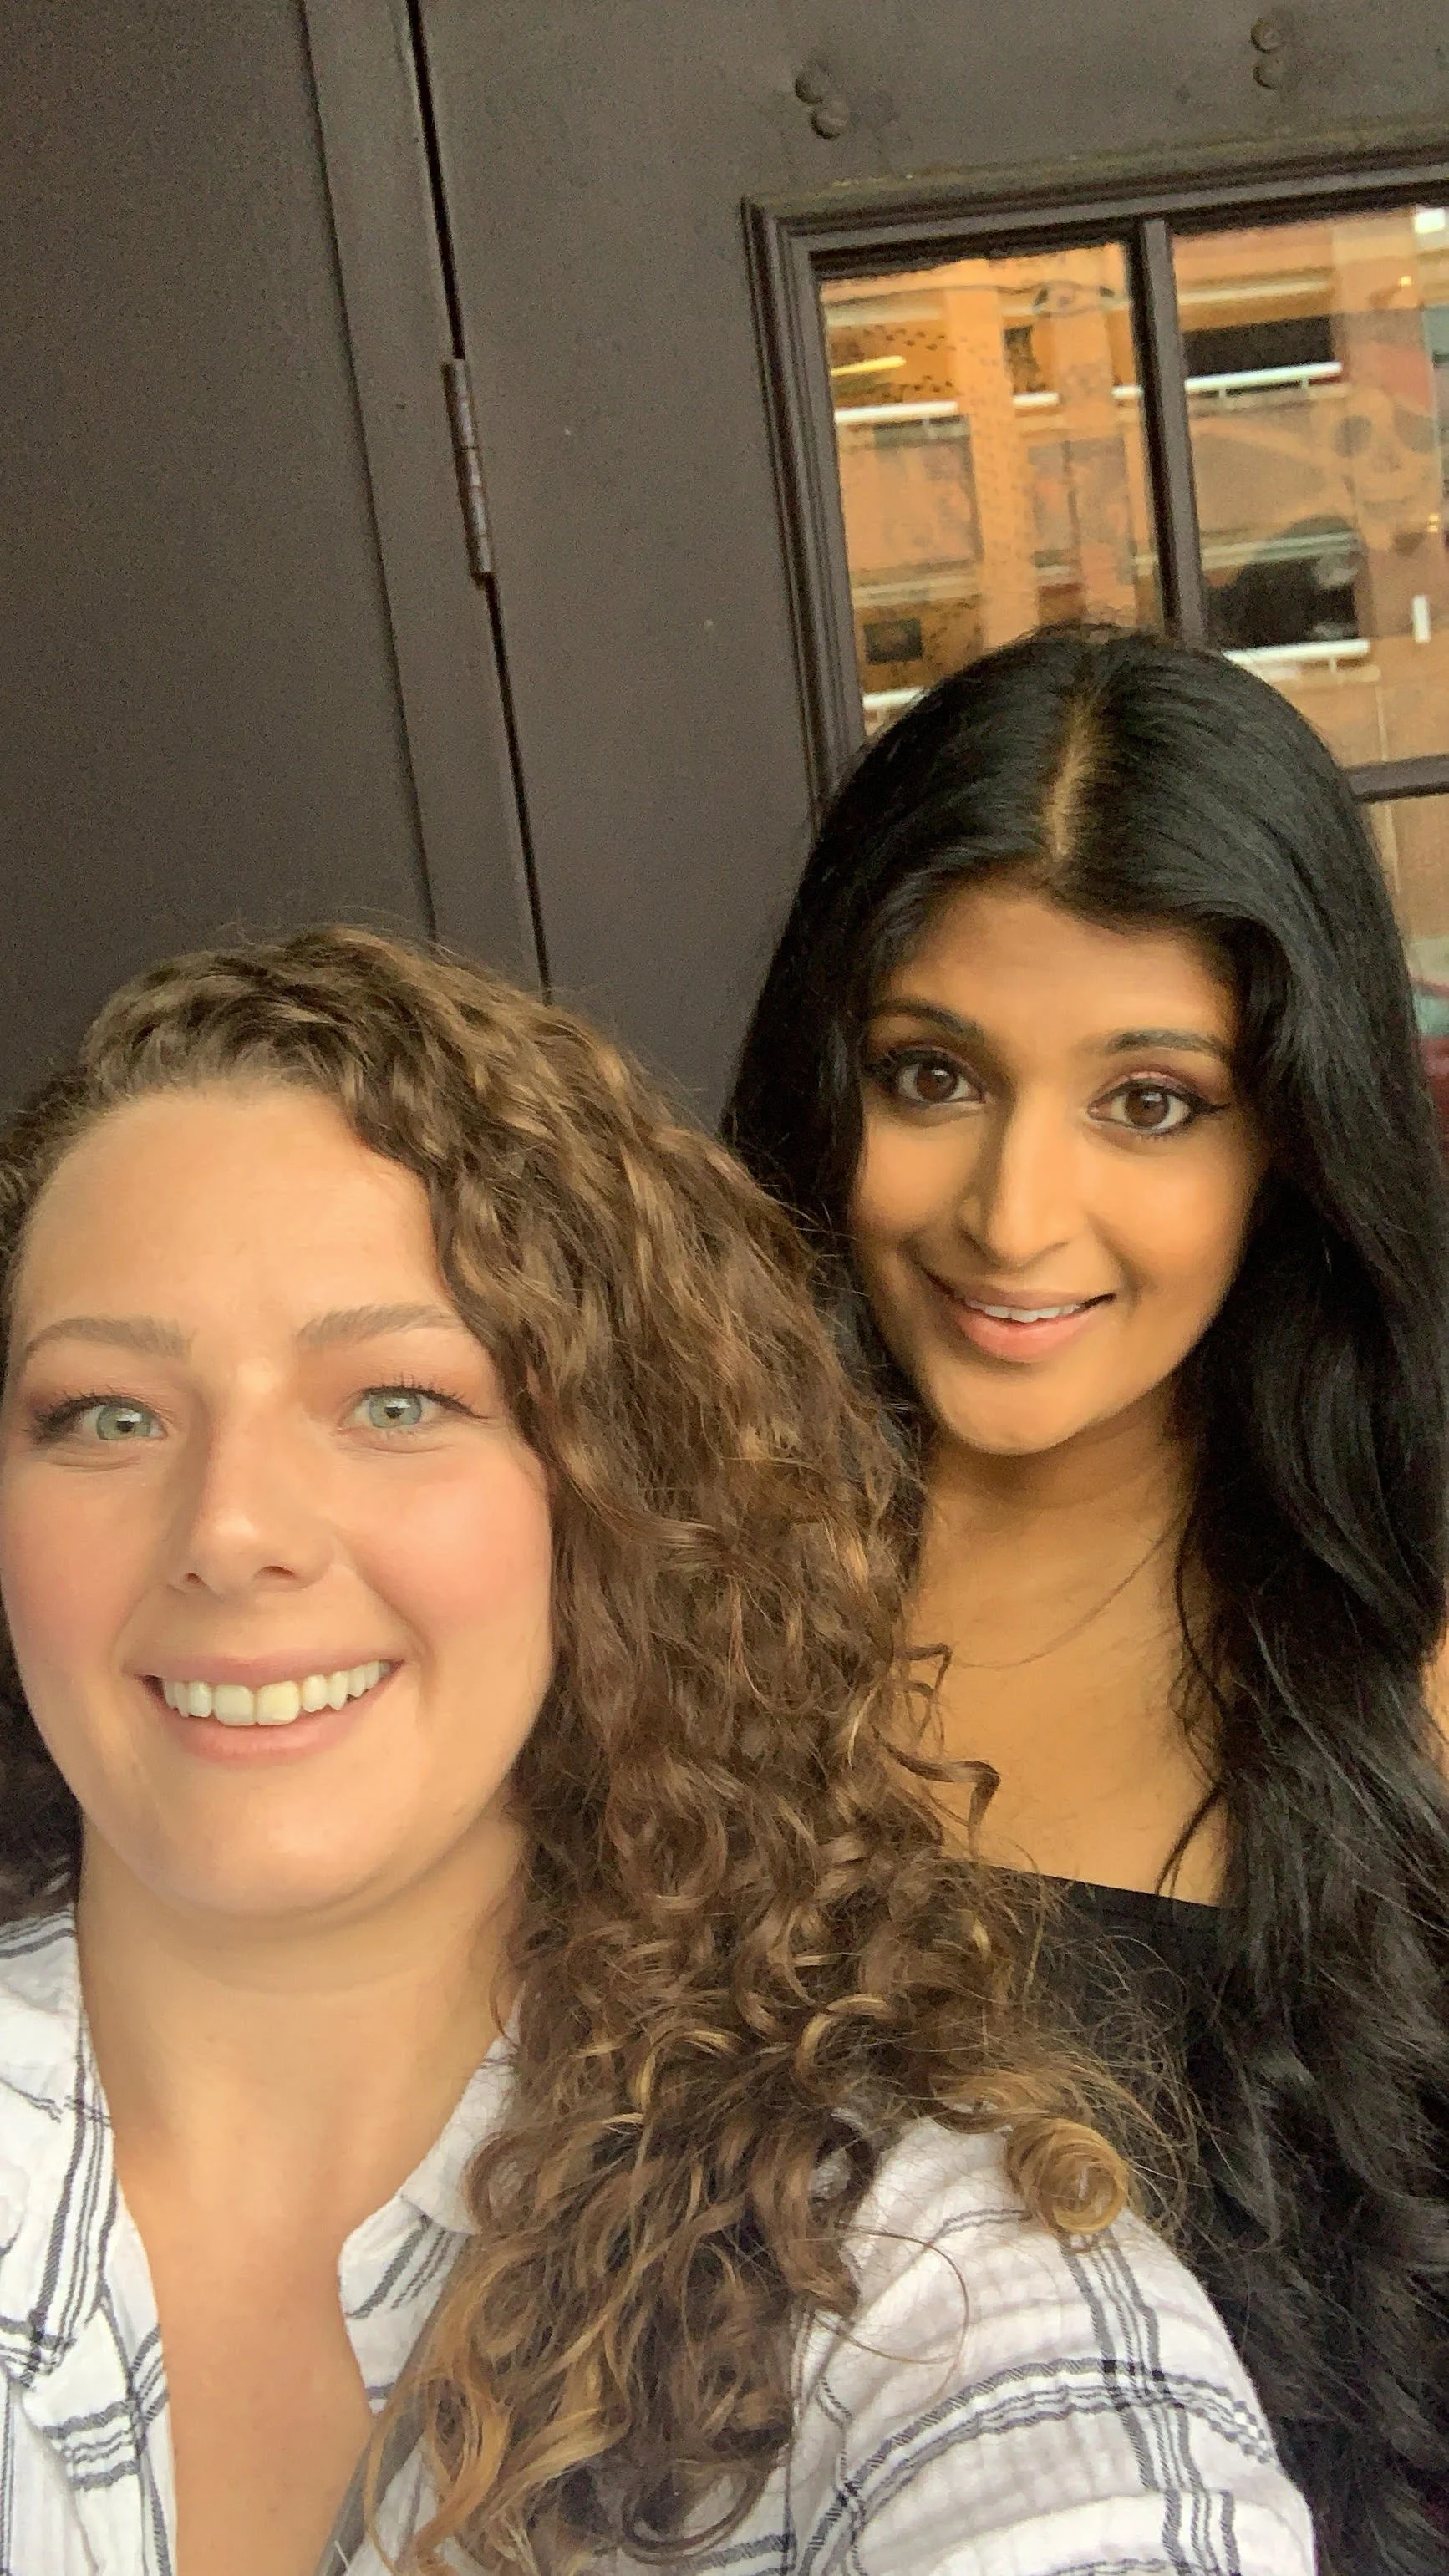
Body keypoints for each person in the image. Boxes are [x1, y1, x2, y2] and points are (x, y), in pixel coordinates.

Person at [0, 924, 1309, 2576]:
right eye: (105, 1412)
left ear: (606, 1501)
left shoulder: (917, 2287)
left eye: (399, 1398)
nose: (233, 1525)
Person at [724, 624, 1449, 2576]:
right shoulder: (666, 1573)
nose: (1014, 1214)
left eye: (1150, 1099)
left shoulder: (1419, 1643)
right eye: (934, 1072)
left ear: (1291, 1133)